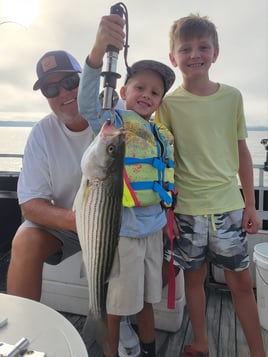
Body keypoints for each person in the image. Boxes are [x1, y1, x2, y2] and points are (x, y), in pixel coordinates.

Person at [6, 49, 138, 357]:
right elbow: (30, 205)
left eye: (70, 81)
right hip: (69, 221)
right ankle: (23, 333)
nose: (64, 93)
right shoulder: (42, 133)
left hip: (121, 221)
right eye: (52, 89)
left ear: (86, 80)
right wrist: (79, 221)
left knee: (150, 251)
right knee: (24, 240)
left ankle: (122, 316)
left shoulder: (116, 114)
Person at [155, 14, 266, 357]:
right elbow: (162, 156)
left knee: (241, 283)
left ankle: (259, 351)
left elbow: (241, 151)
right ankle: (201, 341)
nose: (195, 54)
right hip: (186, 208)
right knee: (194, 279)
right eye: (185, 48)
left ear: (215, 52)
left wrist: (250, 204)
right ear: (173, 57)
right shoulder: (168, 104)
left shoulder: (232, 97)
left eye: (203, 46)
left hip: (228, 206)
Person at [78, 14, 176, 357]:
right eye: (139, 88)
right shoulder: (113, 121)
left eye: (154, 92)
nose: (146, 96)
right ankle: (109, 350)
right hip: (120, 233)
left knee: (149, 300)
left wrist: (169, 221)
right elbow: (87, 103)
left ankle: (148, 349)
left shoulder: (158, 133)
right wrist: (97, 54)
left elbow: (166, 180)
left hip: (153, 230)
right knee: (117, 305)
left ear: (161, 101)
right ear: (122, 92)